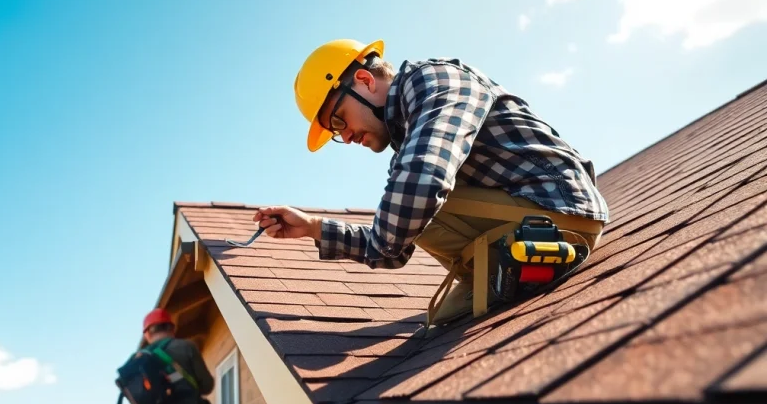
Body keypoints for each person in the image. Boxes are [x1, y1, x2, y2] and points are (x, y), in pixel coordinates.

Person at [254, 39, 610, 325]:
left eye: (338, 119)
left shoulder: (436, 81)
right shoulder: (408, 146)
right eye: (335, 131)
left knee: (410, 202)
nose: (344, 137)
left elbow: (423, 182)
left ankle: (522, 261)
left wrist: (388, 235)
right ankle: (499, 269)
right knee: (439, 315)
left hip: (560, 211)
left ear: (364, 81)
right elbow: (394, 249)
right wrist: (313, 227)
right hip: (524, 219)